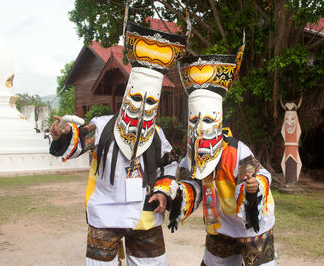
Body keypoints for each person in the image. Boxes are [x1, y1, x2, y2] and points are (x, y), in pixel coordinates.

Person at [49, 9, 190, 265]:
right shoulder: (102, 126)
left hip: (146, 217)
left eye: (150, 103)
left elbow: (169, 165)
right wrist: (64, 134)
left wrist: (162, 191)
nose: (142, 108)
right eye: (137, 99)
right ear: (127, 97)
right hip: (106, 214)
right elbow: (77, 142)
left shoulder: (157, 134)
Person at [168, 39, 276, 266]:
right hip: (220, 227)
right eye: (194, 120)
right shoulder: (190, 157)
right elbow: (191, 187)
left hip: (252, 227)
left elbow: (261, 176)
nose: (199, 128)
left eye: (207, 120)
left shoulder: (236, 150)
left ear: (218, 121)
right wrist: (178, 193)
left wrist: (253, 187)